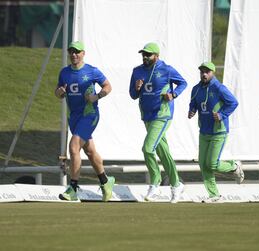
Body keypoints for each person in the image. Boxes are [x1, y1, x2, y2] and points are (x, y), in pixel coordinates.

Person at [55, 41, 115, 202]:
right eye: (71, 51)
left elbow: (108, 86)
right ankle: (106, 182)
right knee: (90, 151)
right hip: (73, 117)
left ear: (83, 53)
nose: (74, 54)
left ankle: (73, 188)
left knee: (73, 147)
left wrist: (97, 96)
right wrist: (59, 92)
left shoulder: (92, 71)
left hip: (89, 114)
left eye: (77, 52)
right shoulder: (64, 72)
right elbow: (58, 92)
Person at [129, 42, 187, 203]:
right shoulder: (137, 71)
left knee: (147, 148)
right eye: (143, 54)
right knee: (163, 152)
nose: (145, 57)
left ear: (157, 56)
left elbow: (183, 82)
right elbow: (133, 95)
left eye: (148, 55)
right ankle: (176, 185)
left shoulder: (166, 69)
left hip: (162, 114)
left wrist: (173, 94)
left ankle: (155, 181)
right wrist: (137, 87)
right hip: (146, 115)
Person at [188, 62, 244, 203]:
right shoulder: (196, 89)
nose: (204, 74)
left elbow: (233, 102)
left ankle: (234, 166)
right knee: (203, 163)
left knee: (212, 164)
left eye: (207, 72)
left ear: (213, 72)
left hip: (219, 131)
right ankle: (214, 195)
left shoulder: (219, 88)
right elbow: (194, 102)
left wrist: (221, 115)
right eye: (202, 71)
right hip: (204, 131)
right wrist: (192, 110)